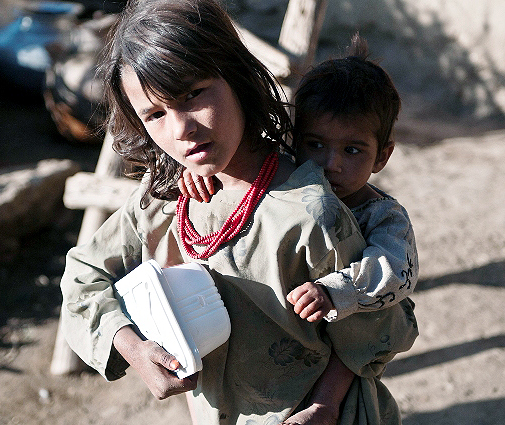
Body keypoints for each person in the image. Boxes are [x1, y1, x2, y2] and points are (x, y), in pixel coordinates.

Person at [59, 1, 418, 425]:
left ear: (236, 75)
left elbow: (380, 326)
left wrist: (325, 404)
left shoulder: (309, 214)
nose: (181, 130)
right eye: (155, 114)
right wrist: (133, 348)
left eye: (193, 95)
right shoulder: (166, 197)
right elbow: (83, 276)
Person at [179, 34, 418, 424]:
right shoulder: (283, 188)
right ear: (294, 141)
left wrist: (334, 291)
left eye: (352, 150)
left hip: (348, 365)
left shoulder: (383, 217)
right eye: (316, 144)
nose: (330, 163)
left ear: (383, 156)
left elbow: (394, 272)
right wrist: (193, 172)